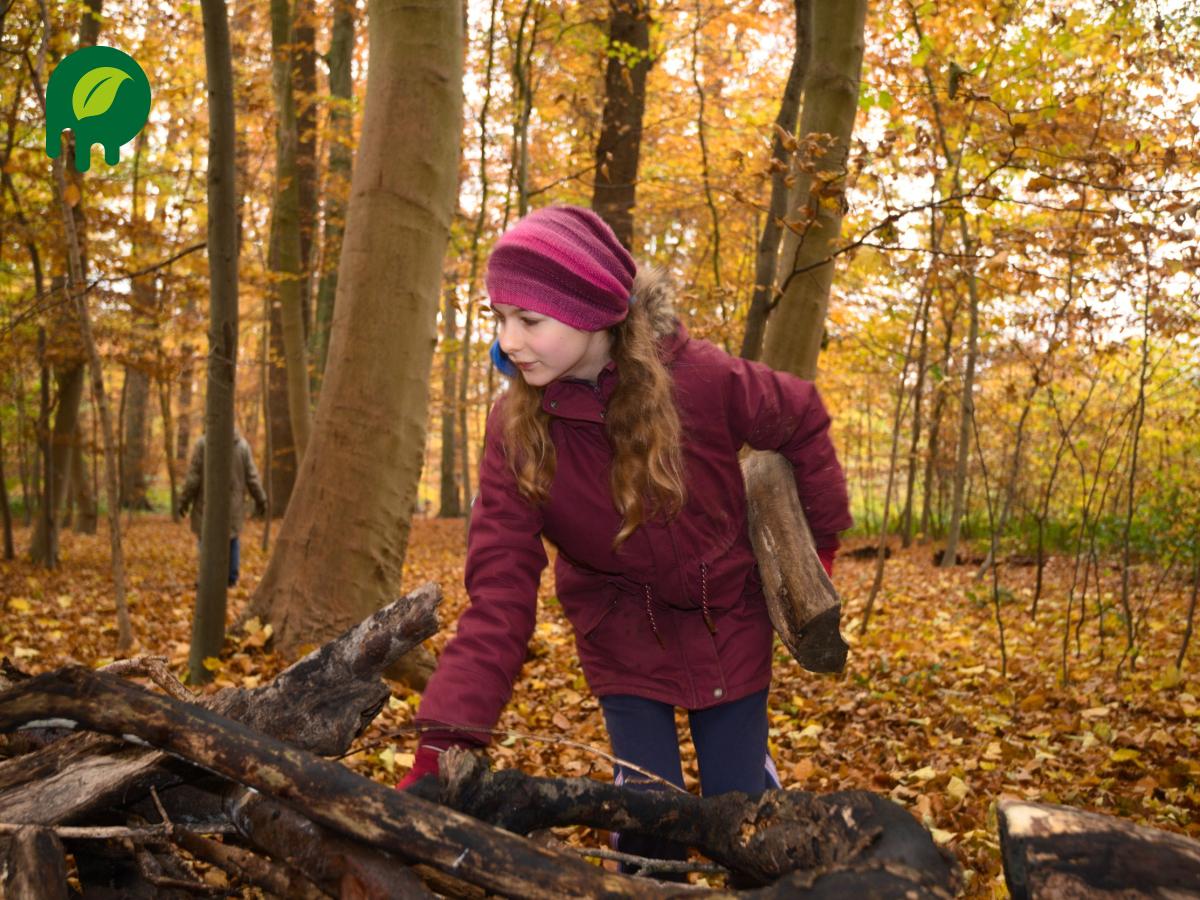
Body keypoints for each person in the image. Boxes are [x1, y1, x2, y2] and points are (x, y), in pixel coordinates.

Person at [399, 205, 852, 870]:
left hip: (726, 614)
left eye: (528, 320)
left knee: (741, 815)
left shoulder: (703, 380)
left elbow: (803, 417)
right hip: (619, 630)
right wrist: (445, 743)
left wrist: (817, 558)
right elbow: (498, 598)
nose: (508, 340)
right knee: (646, 812)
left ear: (595, 311)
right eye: (498, 318)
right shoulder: (515, 433)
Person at [177, 426, 267, 587]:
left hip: (206, 505)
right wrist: (261, 500)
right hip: (232, 507)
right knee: (231, 540)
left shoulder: (203, 444)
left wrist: (183, 501)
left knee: (206, 540)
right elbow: (252, 477)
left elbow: (193, 477)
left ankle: (207, 577)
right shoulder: (243, 446)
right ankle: (230, 578)